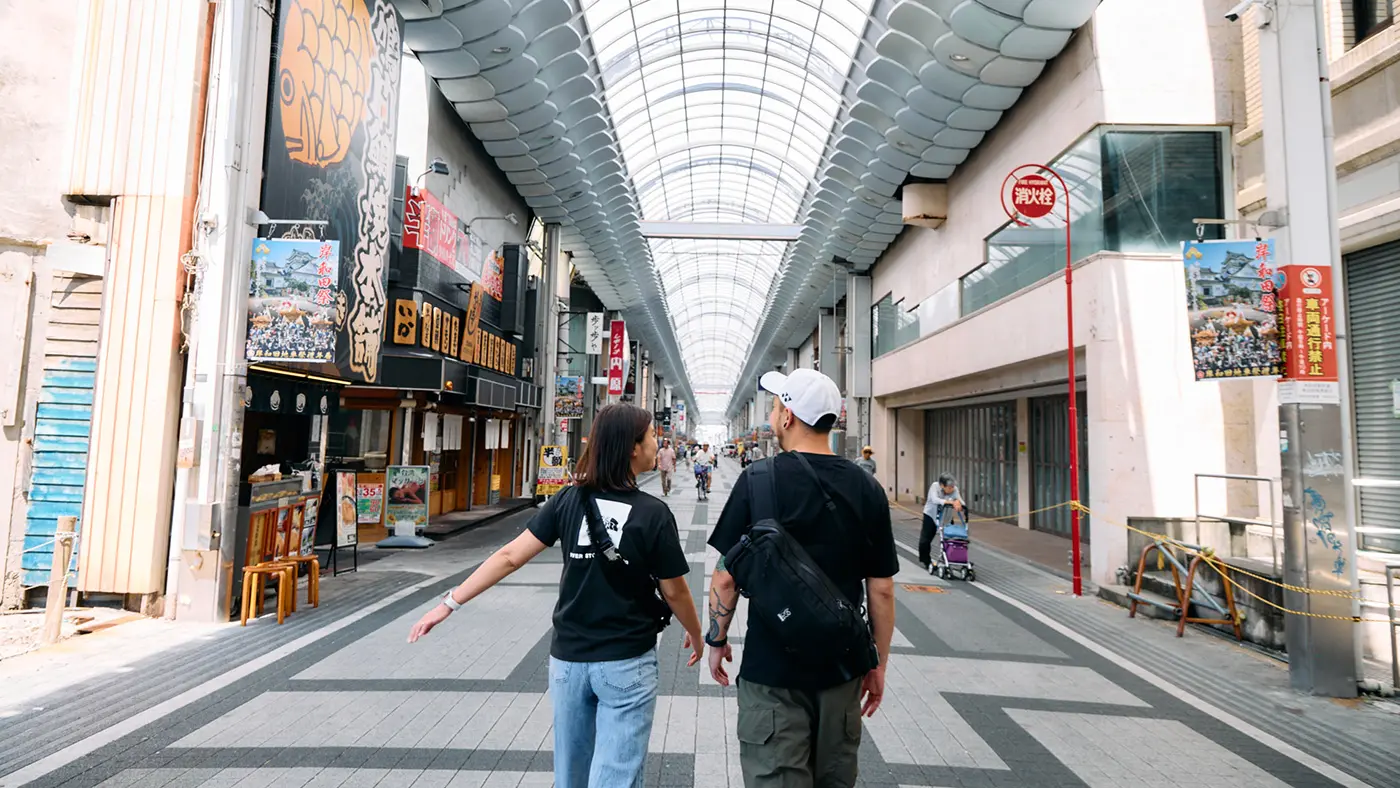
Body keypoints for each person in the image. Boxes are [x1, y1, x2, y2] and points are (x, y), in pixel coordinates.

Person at [407, 404, 704, 787]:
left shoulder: (569, 500)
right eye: (650, 437)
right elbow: (675, 590)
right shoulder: (653, 513)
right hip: (626, 661)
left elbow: (511, 556)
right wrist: (697, 634)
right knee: (616, 775)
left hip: (568, 662)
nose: (656, 443)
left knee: (571, 774)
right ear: (632, 448)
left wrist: (448, 604)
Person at [705, 368, 898, 788]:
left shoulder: (758, 480)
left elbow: (725, 579)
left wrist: (716, 640)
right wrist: (877, 664)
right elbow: (881, 588)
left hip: (772, 672)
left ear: (787, 416)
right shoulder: (867, 488)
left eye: (775, 406)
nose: (773, 414)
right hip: (842, 669)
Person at [920, 473, 965, 571]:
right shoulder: (934, 486)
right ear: (942, 485)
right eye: (949, 487)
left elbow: (960, 501)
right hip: (931, 515)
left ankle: (949, 559)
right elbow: (935, 499)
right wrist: (949, 502)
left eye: (952, 487)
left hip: (946, 517)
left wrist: (959, 504)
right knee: (925, 540)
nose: (951, 489)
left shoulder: (955, 489)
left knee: (951, 539)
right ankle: (926, 560)